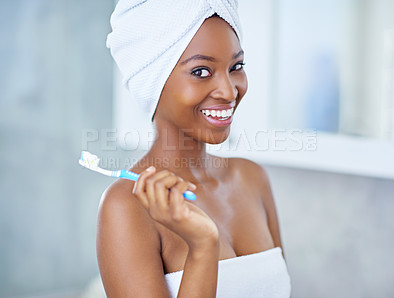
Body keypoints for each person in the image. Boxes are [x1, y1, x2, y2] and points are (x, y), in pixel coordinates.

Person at [97, 1, 291, 297]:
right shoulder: (127, 206)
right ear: (152, 80)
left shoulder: (252, 178)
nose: (229, 91)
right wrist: (202, 247)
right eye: (201, 71)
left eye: (236, 67)